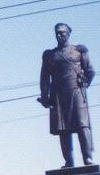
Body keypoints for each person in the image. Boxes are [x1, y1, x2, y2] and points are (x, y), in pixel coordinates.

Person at [39, 23, 96, 167]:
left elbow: (90, 71)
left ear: (69, 34)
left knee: (83, 126)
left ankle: (88, 158)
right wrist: (45, 96)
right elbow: (44, 77)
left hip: (77, 92)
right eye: (57, 33)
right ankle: (69, 161)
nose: (59, 35)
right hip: (58, 94)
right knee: (63, 129)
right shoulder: (49, 55)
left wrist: (84, 83)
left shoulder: (79, 50)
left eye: (62, 33)